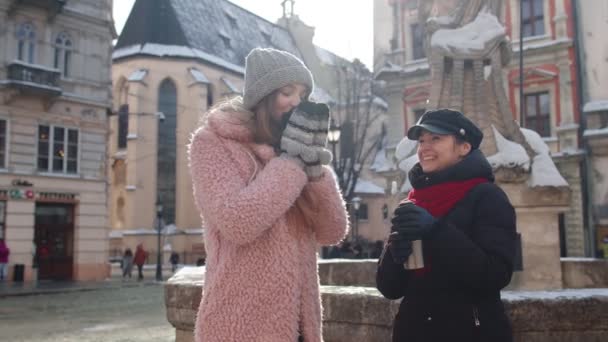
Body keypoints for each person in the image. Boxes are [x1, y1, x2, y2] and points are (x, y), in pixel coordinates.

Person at [188, 47, 349, 342]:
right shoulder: (213, 143)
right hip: (239, 322)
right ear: (263, 96)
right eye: (288, 92)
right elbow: (237, 222)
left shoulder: (298, 149)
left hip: (301, 324)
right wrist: (290, 164)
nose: (297, 102)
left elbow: (333, 230)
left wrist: (314, 170)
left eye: (302, 94)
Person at [376, 109, 517, 342]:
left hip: (471, 332)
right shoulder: (413, 201)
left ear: (464, 147)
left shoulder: (487, 196)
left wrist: (435, 231)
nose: (424, 147)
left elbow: (495, 274)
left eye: (436, 138)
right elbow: (390, 289)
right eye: (421, 141)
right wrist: (394, 254)